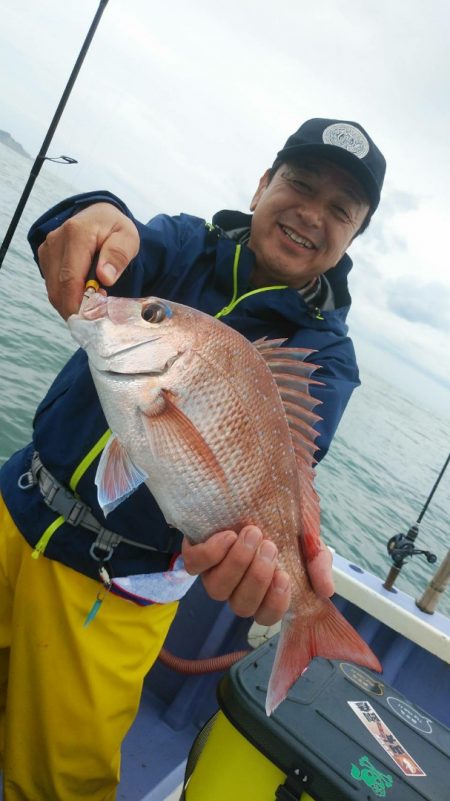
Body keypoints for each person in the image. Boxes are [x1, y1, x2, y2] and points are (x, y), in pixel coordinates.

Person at [0, 117, 386, 800]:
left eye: (340, 209)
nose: (311, 213)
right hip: (15, 500)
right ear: (263, 185)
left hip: (118, 588)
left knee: (58, 782)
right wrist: (89, 213)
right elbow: (110, 248)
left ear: (353, 236)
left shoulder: (327, 356)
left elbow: (290, 464)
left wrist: (280, 566)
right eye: (300, 184)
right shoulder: (185, 244)